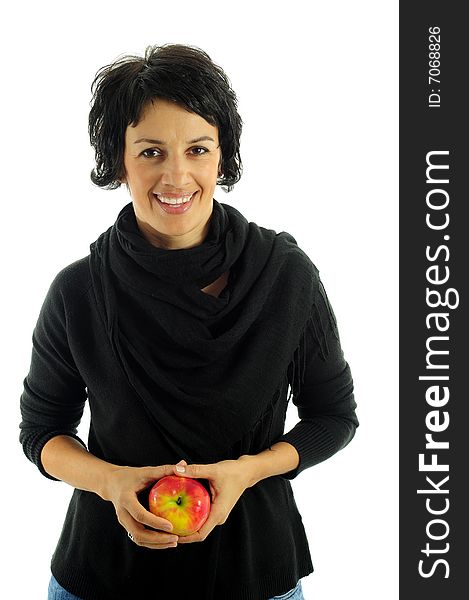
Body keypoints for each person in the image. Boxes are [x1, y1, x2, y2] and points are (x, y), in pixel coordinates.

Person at [19, 43, 359, 600]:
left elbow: (333, 417)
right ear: (118, 159)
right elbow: (42, 431)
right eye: (151, 151)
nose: (177, 175)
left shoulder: (287, 277)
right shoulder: (77, 291)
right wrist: (112, 483)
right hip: (102, 577)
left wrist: (246, 471)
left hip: (256, 574)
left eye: (197, 149)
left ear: (221, 157)